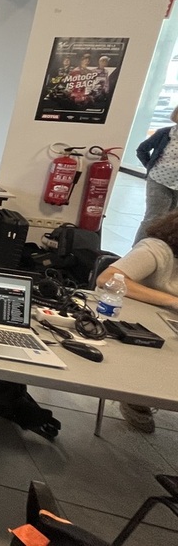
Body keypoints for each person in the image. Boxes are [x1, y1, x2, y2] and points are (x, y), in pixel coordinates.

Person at [96, 210, 178, 432]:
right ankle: (137, 396)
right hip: (143, 326)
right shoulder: (157, 250)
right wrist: (172, 301)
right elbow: (107, 279)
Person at [134, 106, 178, 242]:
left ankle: (164, 252)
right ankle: (136, 252)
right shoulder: (165, 133)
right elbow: (142, 149)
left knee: (173, 223)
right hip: (159, 179)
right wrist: (150, 166)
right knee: (154, 218)